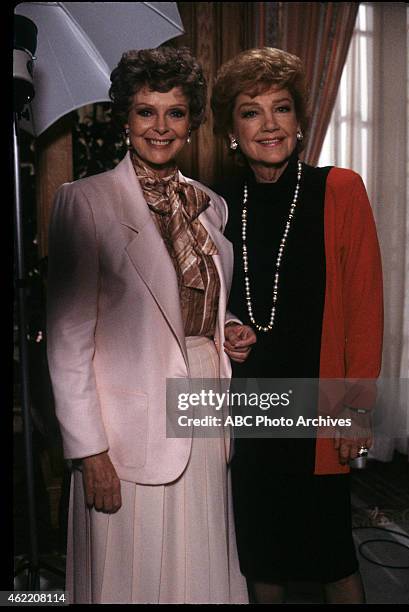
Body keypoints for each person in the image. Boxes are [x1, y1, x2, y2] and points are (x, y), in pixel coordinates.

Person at [46, 46, 256, 604]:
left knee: (199, 569)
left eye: (176, 112)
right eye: (146, 112)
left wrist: (227, 324)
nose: (160, 128)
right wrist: (90, 451)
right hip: (126, 431)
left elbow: (190, 298)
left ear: (193, 122)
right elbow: (67, 343)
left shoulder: (211, 206)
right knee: (129, 578)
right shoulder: (84, 202)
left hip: (205, 410)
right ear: (124, 119)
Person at [211, 47, 383, 604]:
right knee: (262, 555)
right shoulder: (214, 202)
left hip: (319, 404)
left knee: (332, 556)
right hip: (250, 401)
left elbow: (365, 304)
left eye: (281, 108)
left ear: (300, 122)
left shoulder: (340, 189)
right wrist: (229, 324)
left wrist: (357, 404)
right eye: (251, 111)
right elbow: (203, 297)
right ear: (231, 129)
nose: (269, 124)